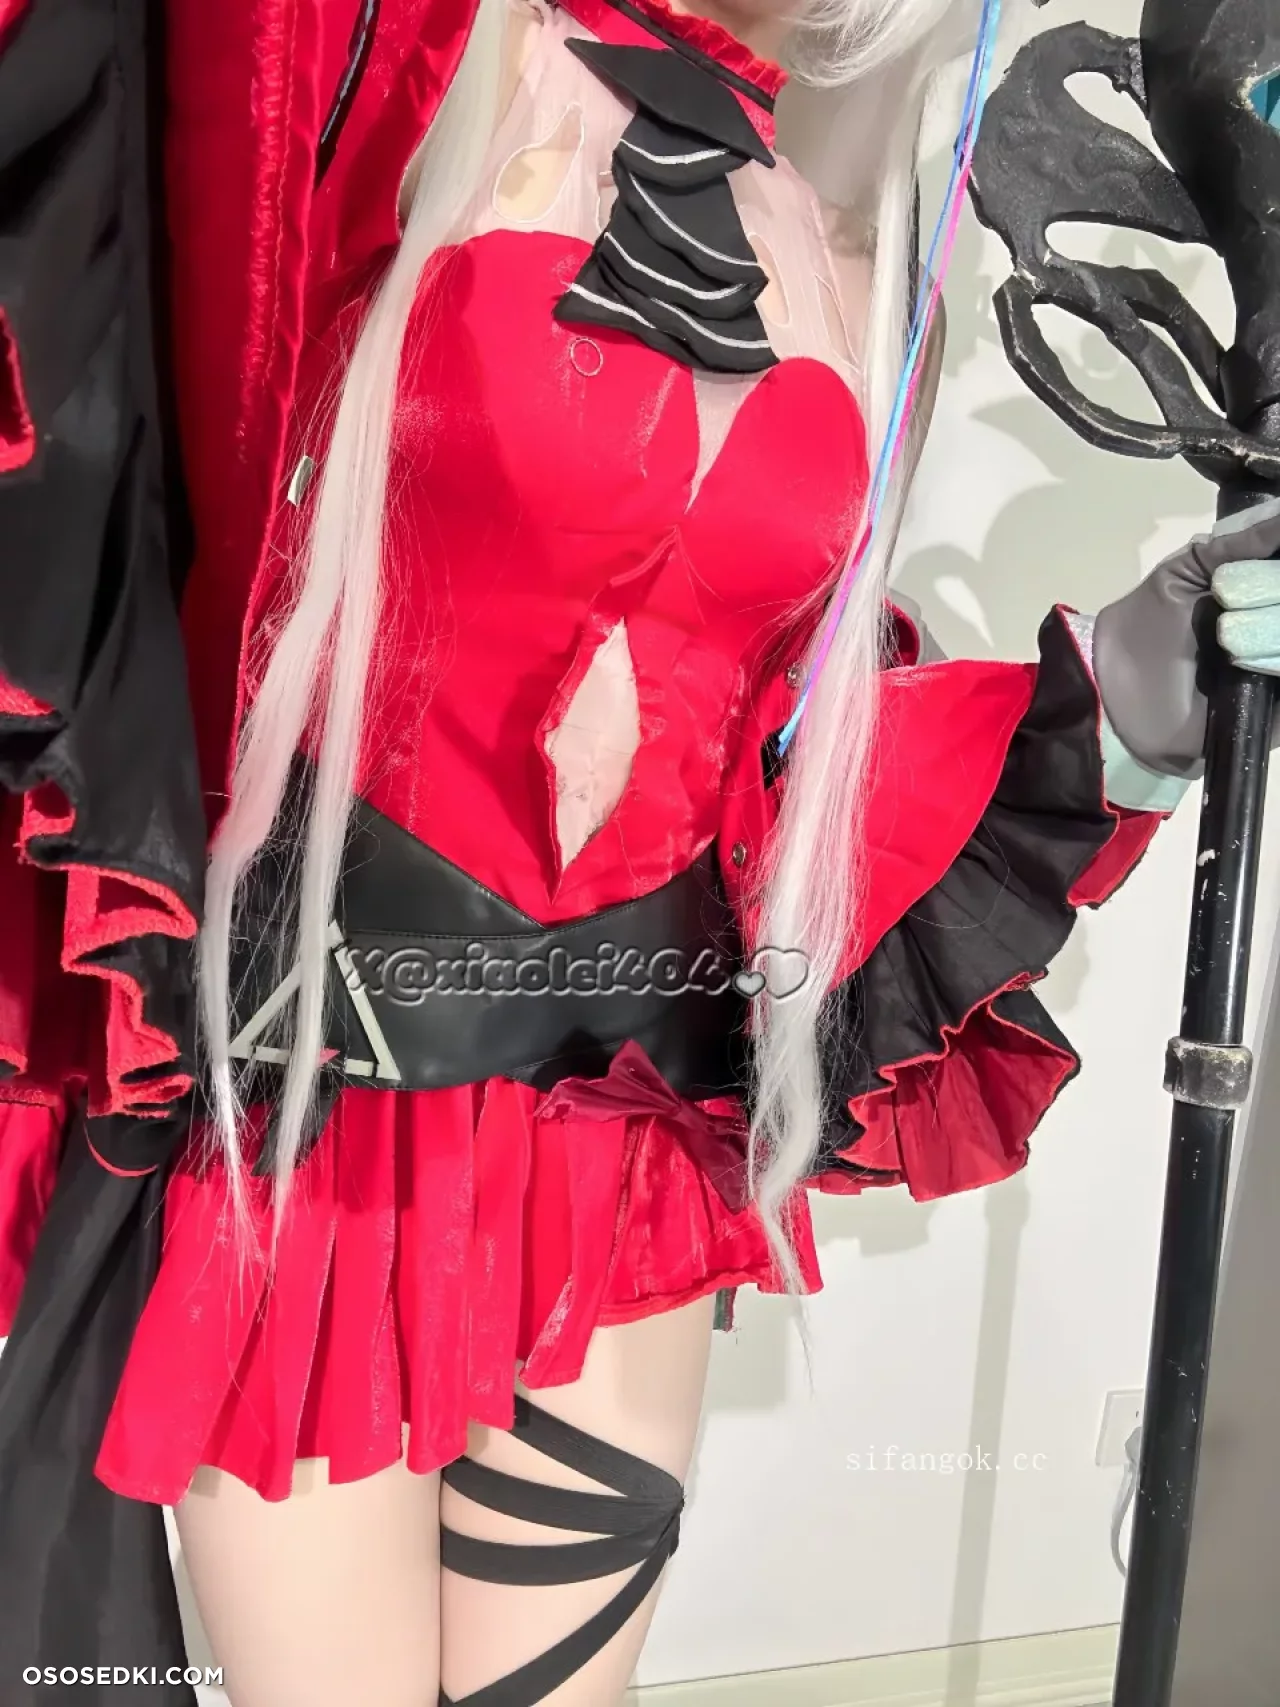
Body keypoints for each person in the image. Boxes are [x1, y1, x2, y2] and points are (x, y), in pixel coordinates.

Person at [1, 0, 1278, 1702]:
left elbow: (782, 772)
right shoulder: (386, 68)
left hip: (627, 1153)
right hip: (323, 1140)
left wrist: (1127, 683)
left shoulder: (835, 239)